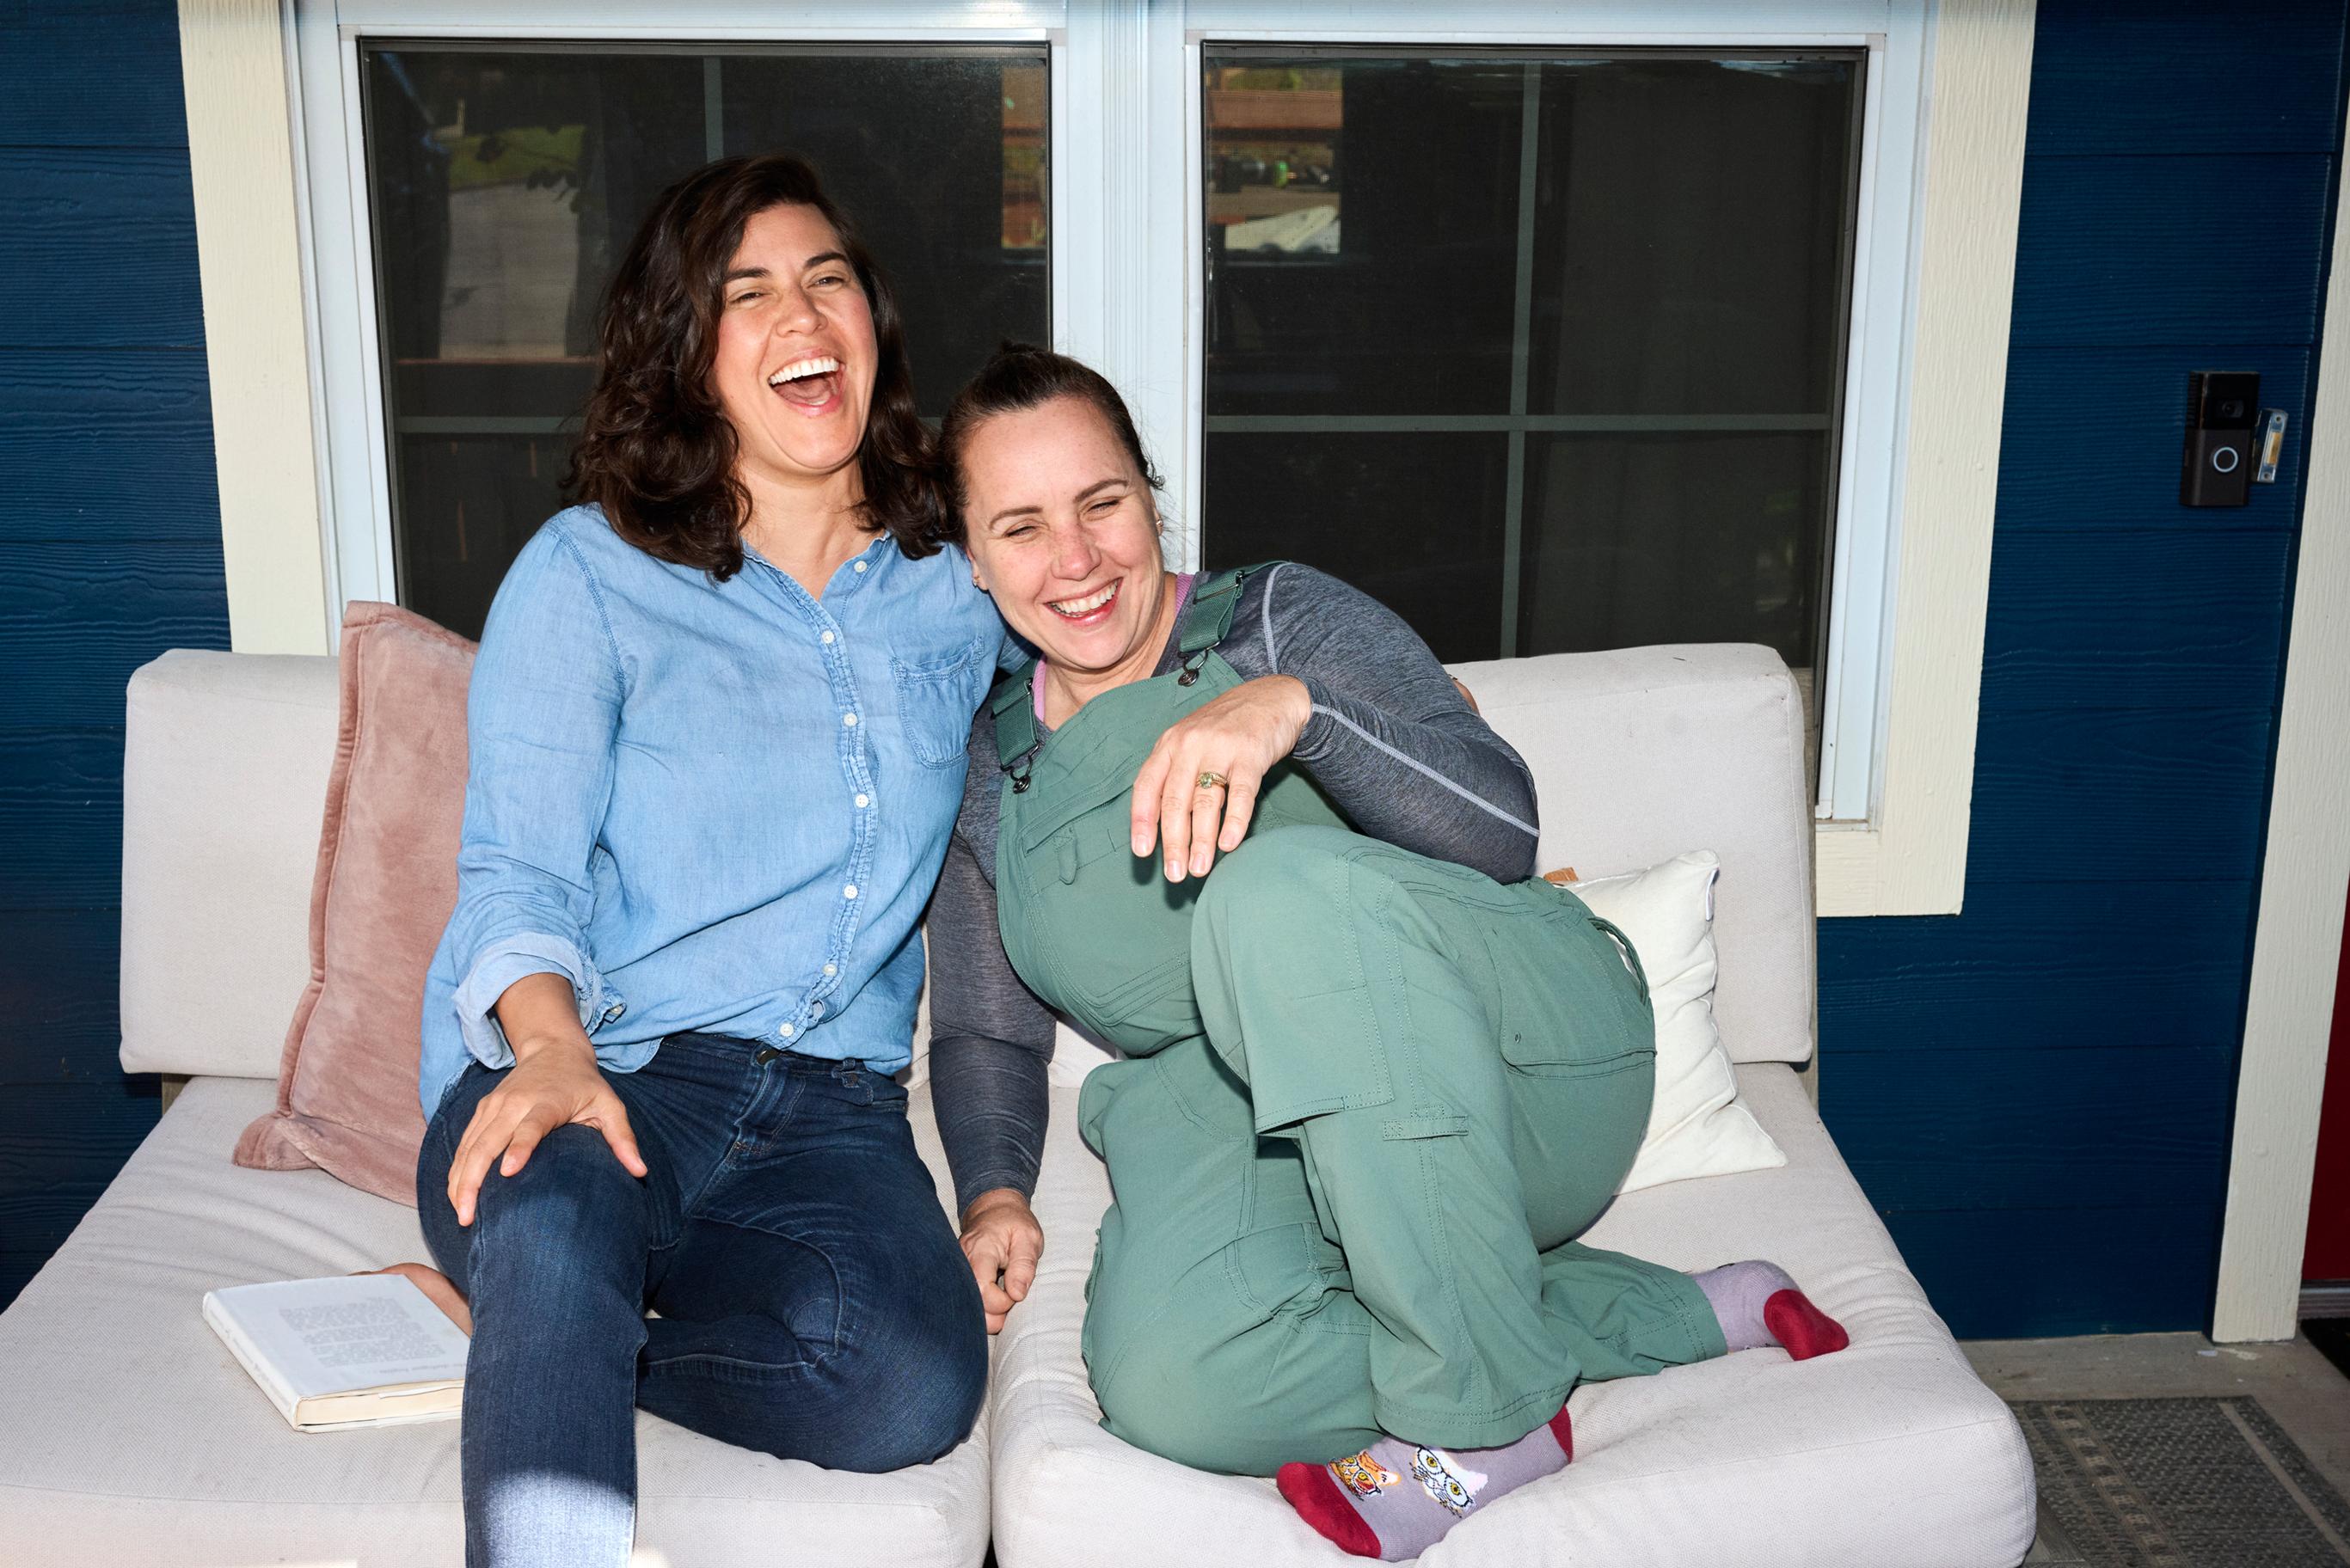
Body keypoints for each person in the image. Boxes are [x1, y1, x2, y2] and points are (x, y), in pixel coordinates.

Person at [923, 345, 1850, 1562]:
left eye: (1102, 503)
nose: (1078, 559)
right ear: (974, 560)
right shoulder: (996, 765)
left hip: (1517, 1067)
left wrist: (1300, 712)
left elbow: (1503, 832)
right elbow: (989, 1026)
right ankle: (1634, 1311)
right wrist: (992, 1193)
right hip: (1259, 1120)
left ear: (1151, 497)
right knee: (1174, 1383)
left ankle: (1478, 1421)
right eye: (1023, 527)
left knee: (1272, 896)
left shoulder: (1276, 617)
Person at [380, 155, 1003, 1568]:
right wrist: (546, 1055)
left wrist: (1291, 683)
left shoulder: (957, 578)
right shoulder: (585, 575)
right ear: (687, 351)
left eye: (828, 279)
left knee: (911, 1380)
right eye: (749, 293)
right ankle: (556, 1319)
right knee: (552, 1198)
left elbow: (1121, 612)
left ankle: (575, 1345)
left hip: (833, 1115)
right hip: (615, 1062)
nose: (804, 314)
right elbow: (517, 877)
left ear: (872, 321)